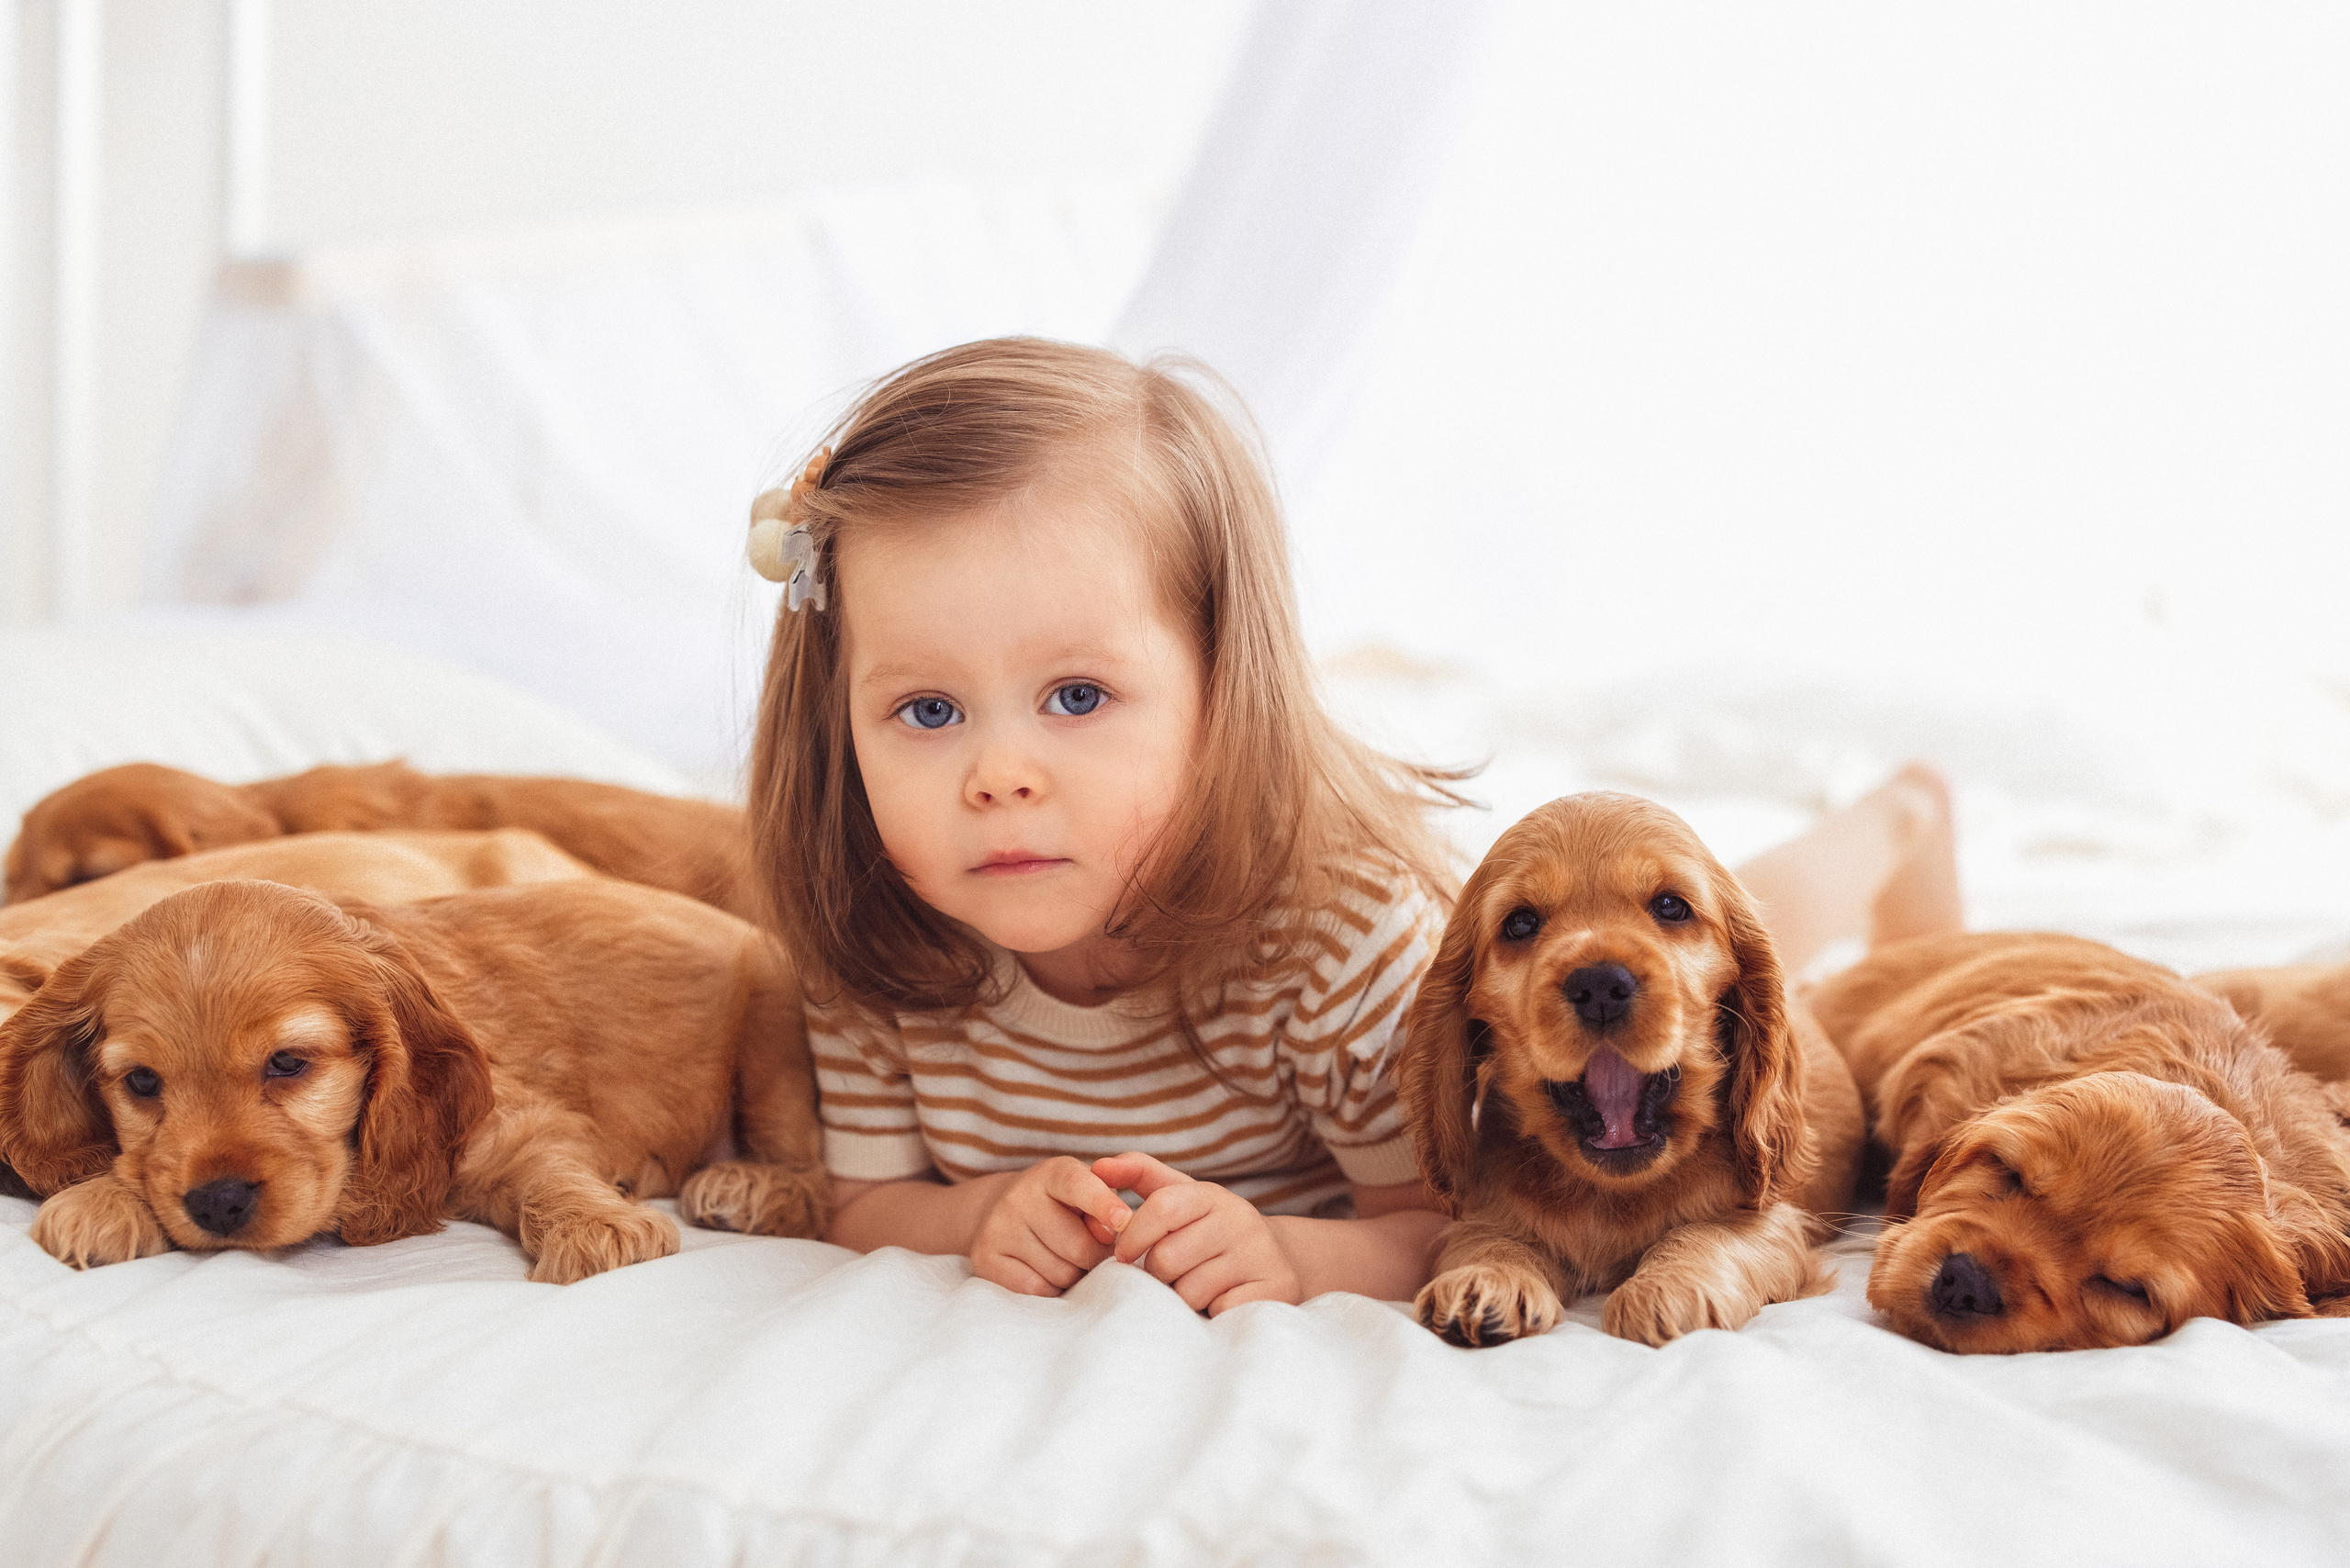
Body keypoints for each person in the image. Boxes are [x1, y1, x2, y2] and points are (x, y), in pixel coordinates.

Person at [743, 337, 1960, 1316]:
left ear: (1224, 694)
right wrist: (976, 1215)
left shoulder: (1338, 938)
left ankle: (1896, 819)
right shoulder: (873, 930)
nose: (998, 776)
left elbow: (1442, 1217)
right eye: (928, 710)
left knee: (1726, 937)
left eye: (1076, 697)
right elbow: (867, 1204)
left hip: (1491, 957)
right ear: (837, 727)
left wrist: (1287, 1254)